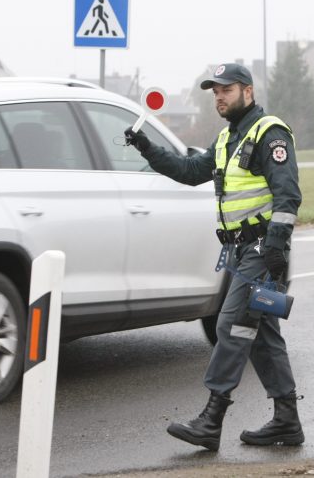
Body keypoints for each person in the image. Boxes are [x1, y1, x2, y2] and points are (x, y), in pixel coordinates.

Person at [124, 63, 304, 451]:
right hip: (239, 251)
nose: (219, 97)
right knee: (261, 336)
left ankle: (212, 418)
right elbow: (190, 170)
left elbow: (288, 195)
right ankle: (287, 421)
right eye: (215, 92)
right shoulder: (227, 139)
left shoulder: (268, 132)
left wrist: (275, 247)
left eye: (227, 90)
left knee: (232, 324)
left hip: (261, 250)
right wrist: (147, 148)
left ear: (248, 92)